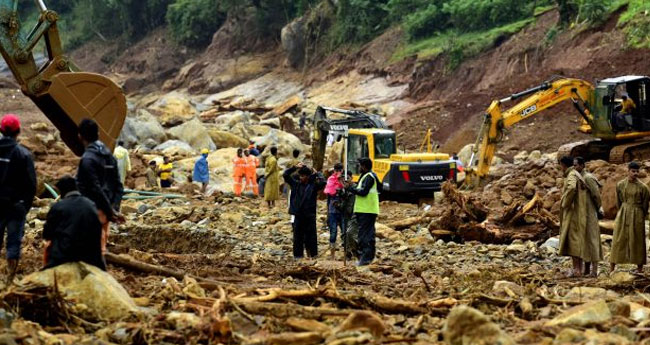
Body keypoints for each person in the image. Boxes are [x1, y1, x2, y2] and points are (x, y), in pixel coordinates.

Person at [76, 118, 124, 255]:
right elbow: (118, 185)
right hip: (106, 209)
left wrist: (110, 211)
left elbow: (94, 188)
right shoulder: (109, 156)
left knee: (91, 250)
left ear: (80, 136)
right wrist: (114, 208)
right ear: (98, 134)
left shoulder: (87, 159)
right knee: (100, 246)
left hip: (91, 209)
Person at [0, 114, 36, 283]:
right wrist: (24, 207)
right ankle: (9, 279)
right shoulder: (24, 154)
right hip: (15, 207)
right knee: (13, 243)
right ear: (18, 131)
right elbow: (31, 185)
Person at [43, 176, 105, 270]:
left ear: (62, 191)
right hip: (90, 257)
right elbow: (98, 231)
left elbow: (47, 234)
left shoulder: (58, 207)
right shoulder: (91, 205)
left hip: (63, 256)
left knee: (48, 245)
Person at [610, 161, 649, 274]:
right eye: (633, 171)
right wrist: (622, 211)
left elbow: (645, 205)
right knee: (618, 239)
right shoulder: (620, 185)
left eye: (637, 171)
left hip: (637, 214)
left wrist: (640, 215)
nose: (635, 173)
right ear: (628, 171)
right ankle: (612, 267)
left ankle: (639, 268)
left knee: (637, 240)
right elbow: (619, 201)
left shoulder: (643, 188)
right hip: (623, 213)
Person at [284, 164, 326, 259]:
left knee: (311, 237)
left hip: (309, 215)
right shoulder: (296, 184)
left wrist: (318, 173)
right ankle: (298, 256)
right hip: (298, 215)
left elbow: (323, 182)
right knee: (297, 237)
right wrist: (294, 167)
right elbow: (286, 175)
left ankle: (313, 255)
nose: (301, 177)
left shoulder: (313, 186)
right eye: (300, 176)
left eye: (303, 176)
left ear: (307, 177)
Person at [558, 155, 587, 277]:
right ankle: (579, 269)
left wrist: (565, 203)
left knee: (573, 240)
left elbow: (571, 188)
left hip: (573, 213)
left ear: (564, 165)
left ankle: (577, 270)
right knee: (577, 239)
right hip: (579, 211)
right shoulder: (576, 174)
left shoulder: (571, 175)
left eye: (560, 166)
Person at [574, 157, 603, 277]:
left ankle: (594, 270)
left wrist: (598, 209)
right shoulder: (578, 178)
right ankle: (586, 269)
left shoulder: (588, 178)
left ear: (582, 165)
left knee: (592, 239)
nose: (574, 167)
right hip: (582, 213)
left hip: (590, 212)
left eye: (576, 165)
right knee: (584, 240)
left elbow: (596, 195)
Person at [348, 158, 380, 266]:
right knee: (368, 234)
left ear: (364, 166)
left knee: (364, 235)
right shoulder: (367, 176)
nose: (358, 167)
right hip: (365, 210)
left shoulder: (369, 177)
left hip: (367, 210)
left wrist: (350, 188)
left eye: (360, 165)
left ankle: (365, 258)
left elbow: (363, 192)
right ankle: (367, 258)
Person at [324, 163, 345, 257]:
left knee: (344, 231)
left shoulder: (345, 179)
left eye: (339, 170)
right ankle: (332, 252)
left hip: (343, 210)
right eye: (336, 170)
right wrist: (327, 213)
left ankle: (346, 252)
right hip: (333, 211)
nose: (338, 172)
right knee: (333, 232)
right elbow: (329, 194)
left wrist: (341, 181)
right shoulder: (331, 180)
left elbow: (347, 191)